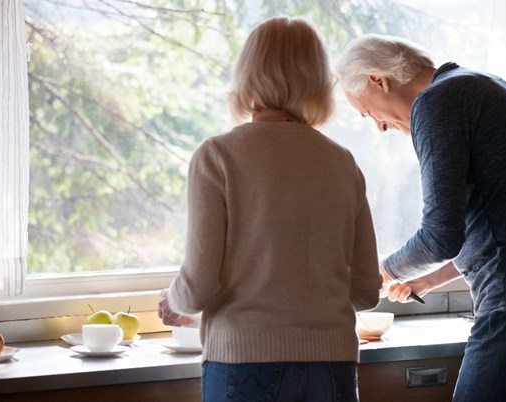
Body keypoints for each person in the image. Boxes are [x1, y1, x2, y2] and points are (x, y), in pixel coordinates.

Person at [334, 34, 506, 402]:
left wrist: (379, 272)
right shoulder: (482, 85)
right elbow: (502, 223)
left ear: (378, 80)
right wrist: (429, 279)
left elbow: (440, 235)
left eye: (367, 112)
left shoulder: (436, 104)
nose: (378, 126)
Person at [158, 17, 382, 402]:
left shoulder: (217, 157)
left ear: (247, 74)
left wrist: (172, 301)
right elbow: (366, 292)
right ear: (317, 79)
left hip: (243, 364)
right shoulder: (342, 163)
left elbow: (196, 289)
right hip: (332, 366)